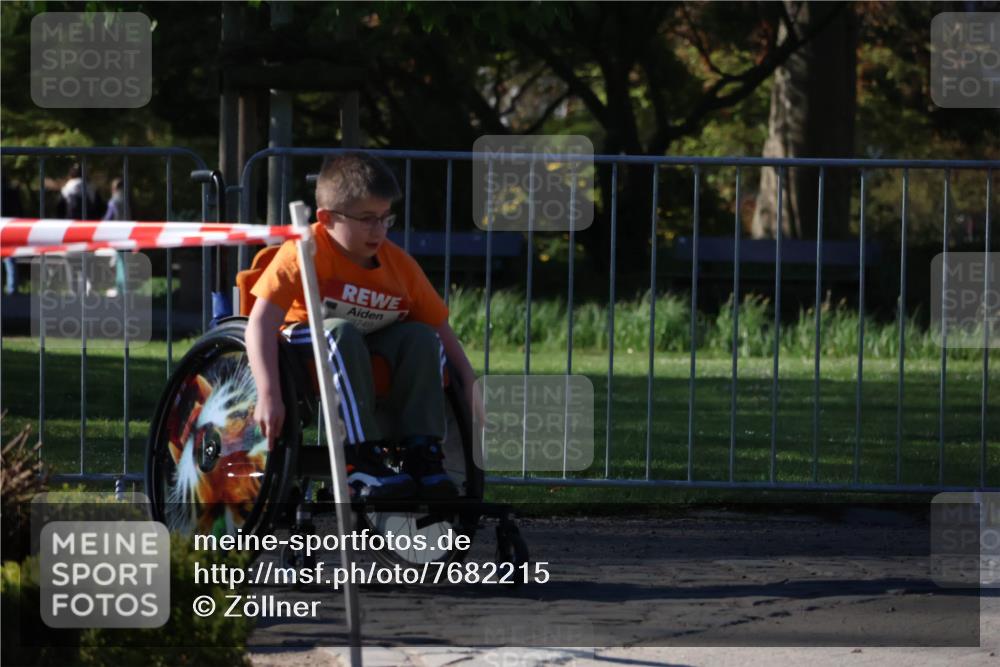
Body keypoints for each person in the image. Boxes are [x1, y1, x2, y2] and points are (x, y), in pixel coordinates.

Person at [246, 152, 479, 500]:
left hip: (362, 346)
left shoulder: (400, 266)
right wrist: (268, 395)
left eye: (386, 218)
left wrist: (472, 390)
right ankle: (357, 458)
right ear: (326, 219)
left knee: (421, 336)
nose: (379, 230)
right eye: (368, 219)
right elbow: (259, 324)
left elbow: (445, 336)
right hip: (300, 347)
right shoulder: (303, 252)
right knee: (339, 332)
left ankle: (422, 452)